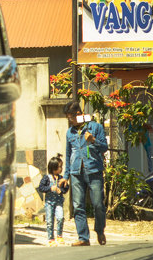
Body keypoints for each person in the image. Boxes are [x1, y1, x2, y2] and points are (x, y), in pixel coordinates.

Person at [64, 100, 108, 246]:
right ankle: (83, 237)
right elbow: (68, 153)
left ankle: (100, 230)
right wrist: (65, 176)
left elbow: (104, 148)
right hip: (76, 172)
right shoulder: (69, 132)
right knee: (78, 205)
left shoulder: (95, 127)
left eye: (70, 117)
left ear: (78, 114)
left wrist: (93, 140)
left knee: (98, 204)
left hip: (94, 170)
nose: (69, 120)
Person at [37, 154, 68, 245]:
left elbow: (66, 188)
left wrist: (61, 191)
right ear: (53, 167)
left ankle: (59, 236)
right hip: (49, 203)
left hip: (59, 202)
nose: (61, 169)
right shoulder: (47, 178)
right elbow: (41, 187)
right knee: (50, 221)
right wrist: (50, 189)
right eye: (59, 167)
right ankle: (51, 238)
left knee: (60, 217)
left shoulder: (61, 178)